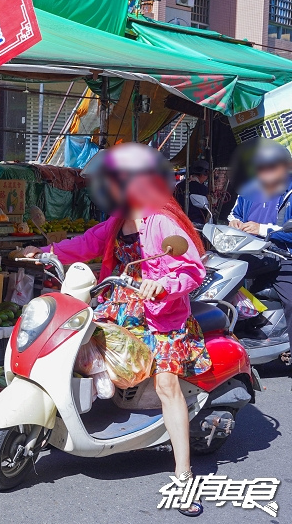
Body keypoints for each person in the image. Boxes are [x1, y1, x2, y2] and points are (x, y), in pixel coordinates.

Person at [24, 143, 208, 517]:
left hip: (162, 315)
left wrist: (165, 284)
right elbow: (86, 243)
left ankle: (184, 474)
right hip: (123, 307)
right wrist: (46, 252)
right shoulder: (118, 221)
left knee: (166, 385)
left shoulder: (162, 222)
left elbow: (192, 269)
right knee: (73, 347)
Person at [227, 140, 292, 330]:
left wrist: (262, 229)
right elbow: (234, 214)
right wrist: (234, 223)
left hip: (282, 256)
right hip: (249, 254)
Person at [173, 160, 211, 225]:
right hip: (195, 222)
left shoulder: (179, 185)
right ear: (203, 174)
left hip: (178, 219)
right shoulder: (202, 189)